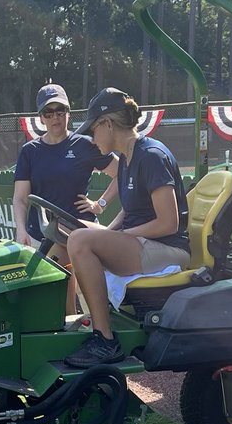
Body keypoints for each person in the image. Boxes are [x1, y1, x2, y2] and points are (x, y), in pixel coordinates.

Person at [63, 88, 190, 367]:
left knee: (81, 241)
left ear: (108, 124)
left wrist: (119, 236)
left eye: (93, 130)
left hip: (169, 250)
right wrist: (109, 231)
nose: (92, 138)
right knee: (68, 229)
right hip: (143, 244)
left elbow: (169, 222)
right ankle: (73, 318)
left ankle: (105, 340)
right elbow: (129, 209)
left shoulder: (151, 156)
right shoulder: (128, 158)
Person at [12, 83, 119, 313]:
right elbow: (20, 198)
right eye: (48, 113)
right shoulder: (30, 151)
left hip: (80, 233)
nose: (55, 118)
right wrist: (21, 230)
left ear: (69, 113)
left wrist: (99, 204)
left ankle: (98, 336)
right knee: (56, 305)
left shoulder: (85, 145)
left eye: (60, 110)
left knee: (93, 303)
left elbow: (123, 173)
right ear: (41, 118)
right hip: (42, 236)